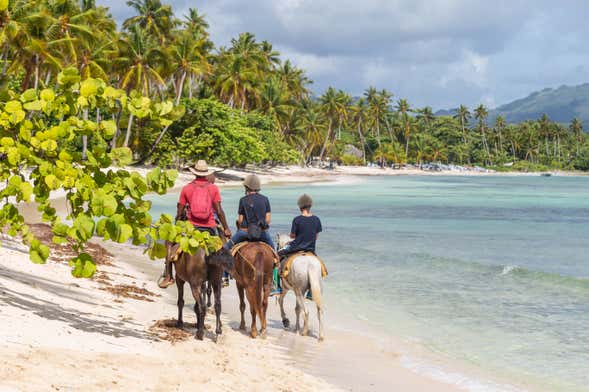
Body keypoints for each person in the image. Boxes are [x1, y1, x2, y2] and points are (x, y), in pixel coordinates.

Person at [158, 160, 232, 289]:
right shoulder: (213, 188)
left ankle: (168, 276)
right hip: (210, 228)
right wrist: (226, 228)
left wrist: (177, 222)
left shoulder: (187, 188)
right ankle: (224, 276)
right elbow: (219, 211)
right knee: (223, 247)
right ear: (206, 174)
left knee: (169, 241)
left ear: (194, 173)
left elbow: (180, 211)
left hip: (191, 228)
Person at [271, 194, 322, 296]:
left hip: (295, 248)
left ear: (300, 207)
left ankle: (276, 286)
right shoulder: (316, 219)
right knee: (319, 265)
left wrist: (292, 238)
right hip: (311, 249)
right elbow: (316, 237)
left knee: (276, 256)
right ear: (310, 206)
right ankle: (312, 292)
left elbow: (293, 236)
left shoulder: (297, 220)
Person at [224, 174, 275, 250]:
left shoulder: (243, 200)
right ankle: (277, 260)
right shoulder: (265, 199)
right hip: (262, 233)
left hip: (245, 232)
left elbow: (240, 221)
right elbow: (267, 220)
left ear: (246, 187)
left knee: (226, 248)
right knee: (274, 251)